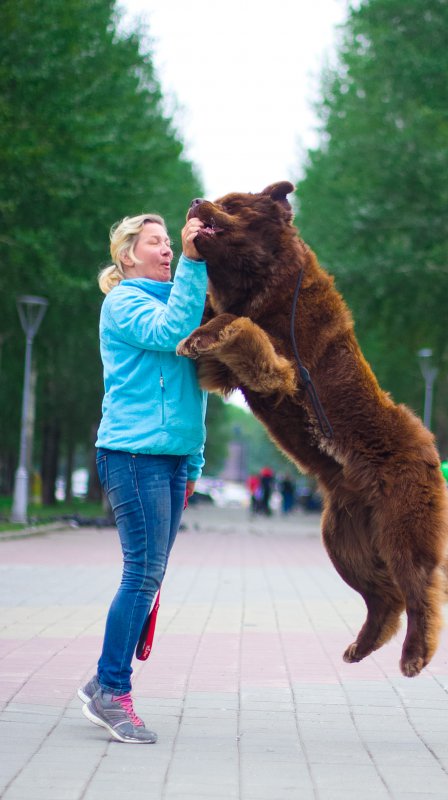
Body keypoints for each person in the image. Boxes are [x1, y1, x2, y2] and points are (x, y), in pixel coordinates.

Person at [78, 211, 208, 744]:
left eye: (169, 242)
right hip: (133, 455)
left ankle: (101, 680)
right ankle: (112, 689)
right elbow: (170, 332)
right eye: (155, 242)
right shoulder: (124, 302)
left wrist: (194, 462)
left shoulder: (185, 301)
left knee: (151, 575)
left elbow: (196, 389)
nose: (168, 249)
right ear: (127, 256)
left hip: (173, 459)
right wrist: (195, 264)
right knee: (142, 574)